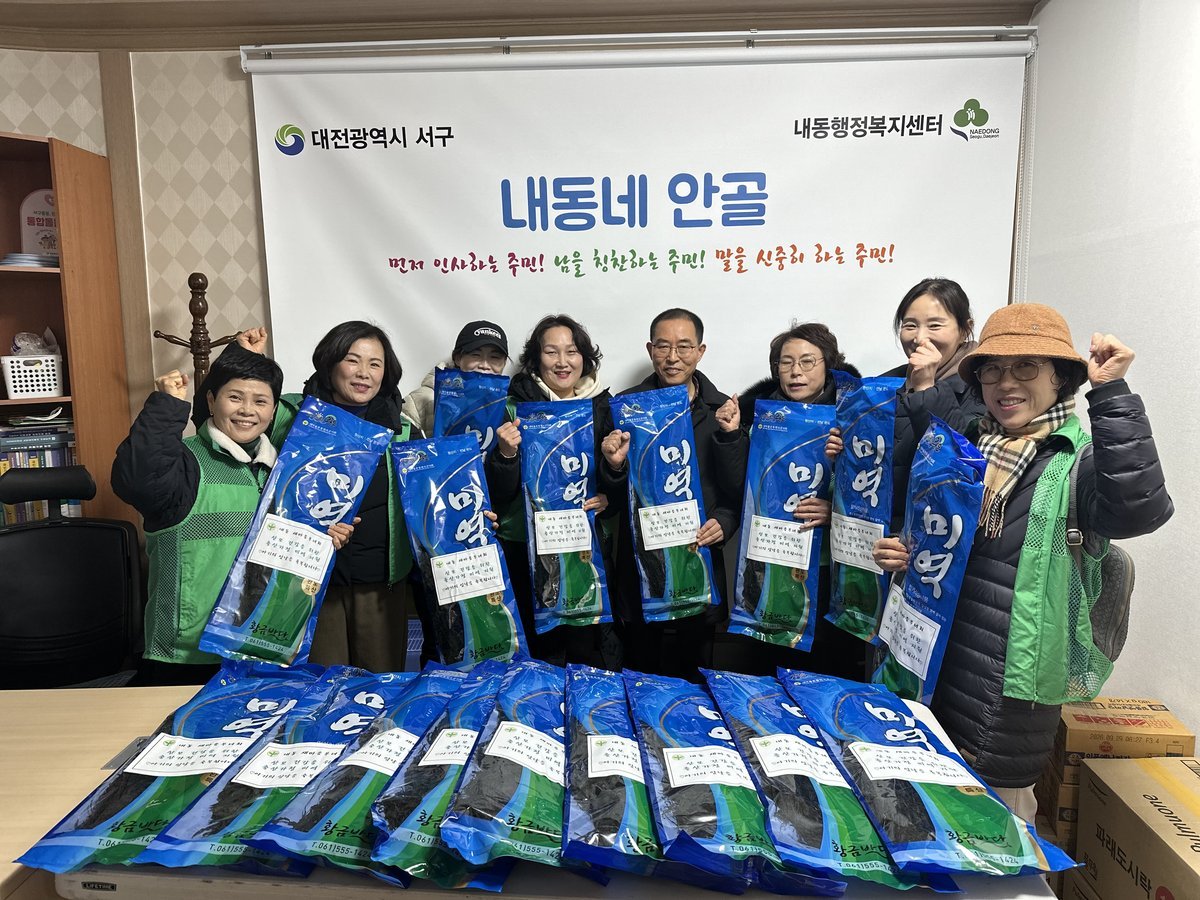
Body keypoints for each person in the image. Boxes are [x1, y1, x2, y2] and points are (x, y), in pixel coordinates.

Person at [871, 303, 1172, 819]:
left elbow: (1138, 510)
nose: (1006, 383)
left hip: (1005, 699)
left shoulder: (1078, 464)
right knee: (924, 823)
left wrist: (1111, 394)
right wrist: (904, 551)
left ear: (1061, 378)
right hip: (931, 671)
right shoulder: (966, 451)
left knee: (998, 832)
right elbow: (943, 544)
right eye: (993, 370)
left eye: (1026, 367)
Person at [112, 333, 351, 684]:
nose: (247, 410)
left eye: (260, 401)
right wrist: (166, 407)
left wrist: (326, 538)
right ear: (211, 400)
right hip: (187, 658)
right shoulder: (184, 463)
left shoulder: (285, 473)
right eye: (234, 397)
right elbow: (136, 480)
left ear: (273, 410)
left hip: (263, 650)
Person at [714, 322, 866, 680]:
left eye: (808, 361)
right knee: (765, 666)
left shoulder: (857, 416)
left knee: (825, 670)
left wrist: (836, 511)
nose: (796, 371)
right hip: (770, 559)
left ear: (829, 365)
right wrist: (732, 435)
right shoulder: (760, 418)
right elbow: (739, 490)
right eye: (786, 362)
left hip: (829, 568)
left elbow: (872, 496)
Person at [601, 308, 741, 681]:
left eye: (684, 346)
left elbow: (737, 491)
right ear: (650, 350)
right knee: (639, 678)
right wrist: (613, 466)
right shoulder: (624, 408)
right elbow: (608, 500)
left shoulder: (721, 411)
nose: (673, 357)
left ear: (700, 351)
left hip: (699, 562)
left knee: (697, 681)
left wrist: (724, 523)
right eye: (663, 346)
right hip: (640, 570)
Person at [485, 314, 620, 666]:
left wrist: (610, 487)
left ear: (584, 358)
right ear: (535, 358)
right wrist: (506, 454)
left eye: (571, 352)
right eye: (551, 352)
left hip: (585, 546)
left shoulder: (603, 406)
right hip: (526, 550)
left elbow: (620, 484)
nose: (562, 362)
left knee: (588, 651)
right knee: (539, 654)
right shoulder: (512, 407)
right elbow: (496, 494)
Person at [292, 321, 425, 672]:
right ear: (330, 363)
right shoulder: (298, 418)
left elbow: (429, 497)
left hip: (381, 582)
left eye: (375, 364)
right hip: (314, 576)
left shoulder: (403, 430)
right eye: (352, 360)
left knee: (380, 684)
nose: (364, 373)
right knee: (321, 681)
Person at [882, 278, 987, 529]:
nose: (920, 338)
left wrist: (926, 389)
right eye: (910, 325)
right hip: (880, 538)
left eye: (935, 325)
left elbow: (957, 466)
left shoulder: (982, 388)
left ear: (965, 329)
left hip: (937, 535)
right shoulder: (884, 384)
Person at [401, 320, 509, 436]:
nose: (485, 365)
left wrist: (506, 448)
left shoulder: (504, 405)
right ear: (458, 358)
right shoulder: (419, 402)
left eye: (495, 357)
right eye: (475, 355)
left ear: (504, 363)